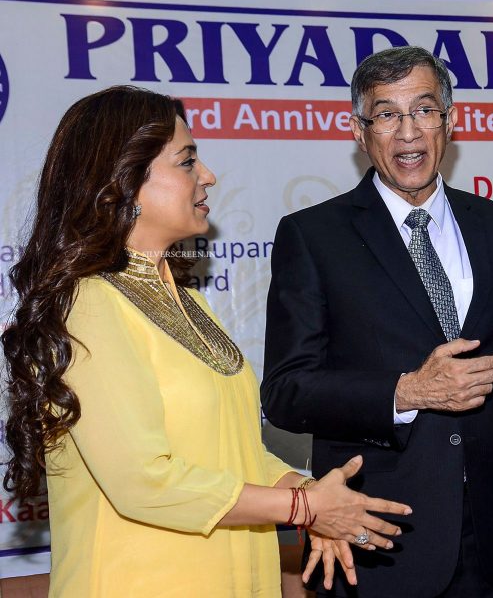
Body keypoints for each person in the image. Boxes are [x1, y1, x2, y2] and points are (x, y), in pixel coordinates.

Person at [0, 85, 411, 597]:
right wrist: (302, 509)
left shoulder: (184, 299)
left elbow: (233, 454)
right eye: (187, 161)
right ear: (123, 181)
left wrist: (310, 495)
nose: (208, 176)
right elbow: (143, 481)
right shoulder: (88, 302)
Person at [261, 46, 493, 597]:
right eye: (387, 114)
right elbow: (286, 391)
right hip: (379, 541)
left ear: (451, 121)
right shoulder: (313, 237)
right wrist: (407, 391)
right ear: (359, 131)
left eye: (424, 110)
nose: (408, 133)